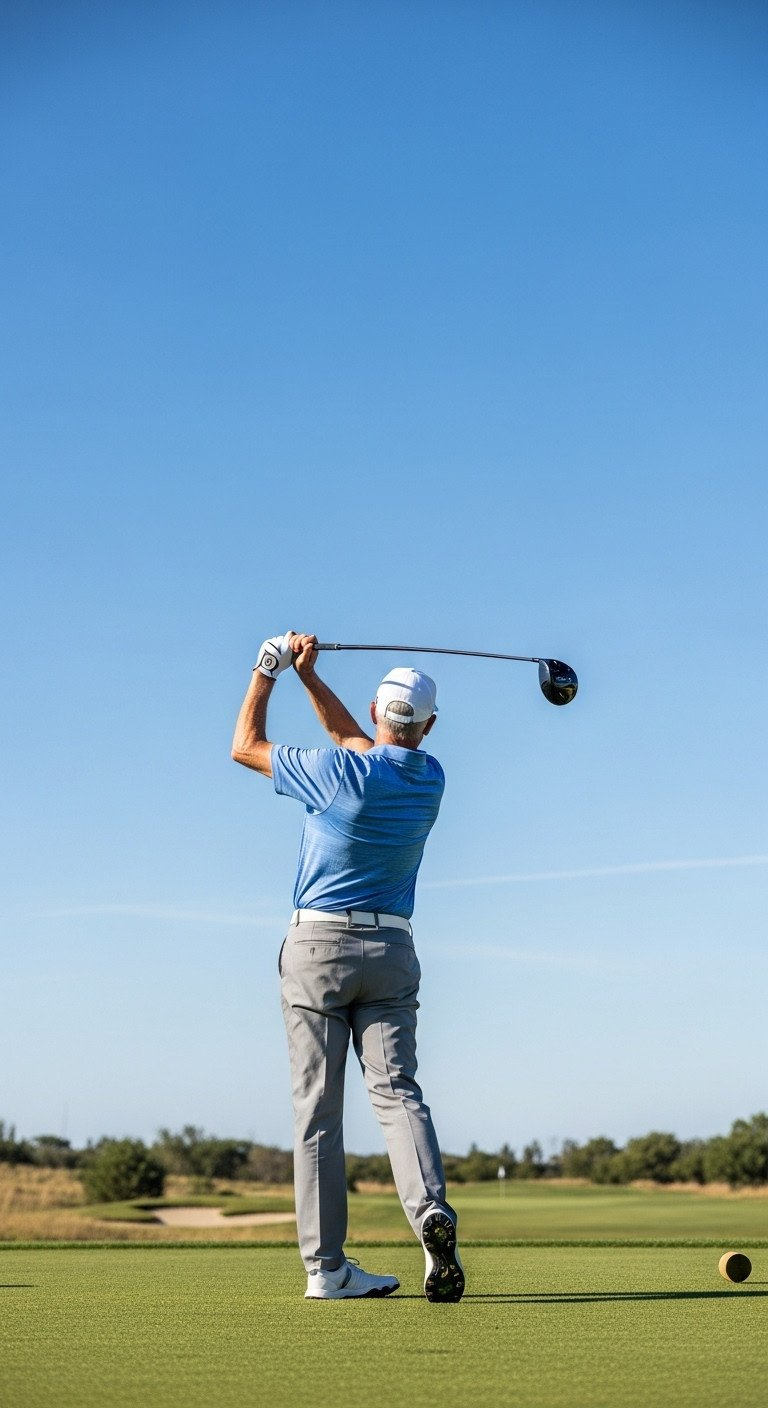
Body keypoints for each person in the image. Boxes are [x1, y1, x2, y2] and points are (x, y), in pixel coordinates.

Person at [231, 630, 465, 1303]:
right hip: (392, 952)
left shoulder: (339, 773)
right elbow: (365, 745)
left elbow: (245, 746)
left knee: (318, 1112)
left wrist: (268, 671)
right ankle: (429, 1215)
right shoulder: (429, 777)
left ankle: (327, 1270)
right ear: (428, 725)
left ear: (374, 710)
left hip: (317, 952)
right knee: (398, 1094)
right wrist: (309, 678)